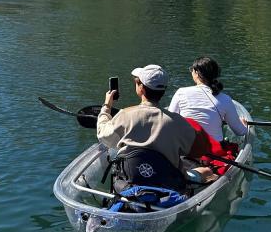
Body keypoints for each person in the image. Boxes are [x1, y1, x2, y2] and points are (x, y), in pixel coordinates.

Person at [97, 65, 196, 193]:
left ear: (141, 88)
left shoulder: (125, 115)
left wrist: (106, 107)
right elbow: (188, 150)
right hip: (167, 185)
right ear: (163, 90)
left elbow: (103, 135)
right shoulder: (180, 123)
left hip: (129, 183)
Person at [167, 56, 248, 143]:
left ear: (197, 73)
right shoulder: (225, 99)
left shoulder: (181, 93)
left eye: (192, 70)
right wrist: (244, 125)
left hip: (186, 149)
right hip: (213, 152)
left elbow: (169, 123)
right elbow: (240, 131)